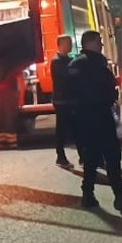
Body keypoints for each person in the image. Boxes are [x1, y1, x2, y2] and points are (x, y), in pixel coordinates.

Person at [68, 30, 122, 213]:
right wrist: (110, 96)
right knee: (112, 157)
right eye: (99, 41)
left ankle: (88, 194)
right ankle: (120, 198)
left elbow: (68, 92)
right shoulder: (96, 64)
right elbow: (107, 89)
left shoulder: (73, 65)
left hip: (83, 119)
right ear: (90, 43)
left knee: (91, 157)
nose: (101, 44)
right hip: (100, 116)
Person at [50, 35, 77, 168]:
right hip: (62, 100)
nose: (70, 45)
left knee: (76, 128)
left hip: (70, 99)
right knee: (62, 129)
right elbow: (66, 77)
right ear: (60, 45)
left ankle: (83, 157)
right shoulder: (56, 61)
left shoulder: (69, 60)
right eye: (68, 43)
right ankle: (60, 156)